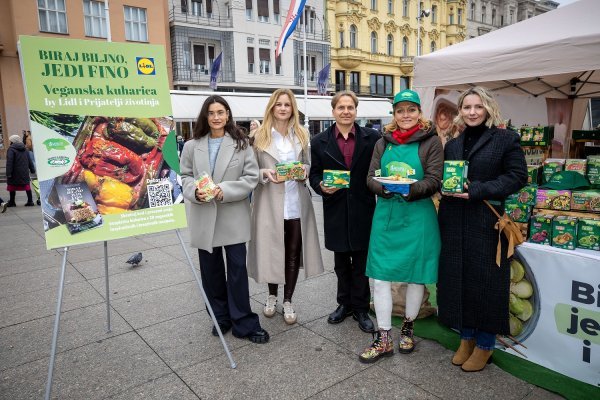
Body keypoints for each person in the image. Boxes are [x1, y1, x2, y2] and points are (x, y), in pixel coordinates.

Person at [437, 86, 527, 372]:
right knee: (459, 281)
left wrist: (478, 189)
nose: (472, 112)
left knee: (486, 285)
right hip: (454, 221)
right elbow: (450, 177)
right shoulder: (453, 143)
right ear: (460, 111)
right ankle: (466, 338)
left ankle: (485, 344)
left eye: (477, 107)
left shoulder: (505, 139)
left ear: (487, 108)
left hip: (486, 223)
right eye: (466, 107)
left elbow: (517, 177)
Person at [360, 89, 443, 363]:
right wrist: (386, 189)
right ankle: (383, 337)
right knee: (380, 276)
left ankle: (408, 327)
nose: (405, 115)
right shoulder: (383, 142)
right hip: (387, 216)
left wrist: (410, 190)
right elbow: (370, 177)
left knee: (416, 275)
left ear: (420, 112)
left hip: (418, 215)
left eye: (411, 109)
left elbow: (435, 178)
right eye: (400, 110)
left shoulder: (431, 142)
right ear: (394, 114)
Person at [180, 95, 269, 344]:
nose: (216, 117)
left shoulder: (241, 143)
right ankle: (220, 316)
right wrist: (195, 192)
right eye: (211, 113)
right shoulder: (191, 145)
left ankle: (243, 321)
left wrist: (225, 190)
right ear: (205, 117)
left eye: (221, 112)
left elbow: (251, 177)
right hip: (204, 214)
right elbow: (185, 176)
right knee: (211, 272)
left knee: (238, 270)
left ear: (228, 115)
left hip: (232, 215)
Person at [247, 88, 324, 325]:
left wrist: (303, 172)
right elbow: (249, 170)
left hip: (295, 202)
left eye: (287, 105)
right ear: (272, 107)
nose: (283, 108)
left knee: (292, 253)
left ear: (293, 109)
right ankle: (271, 296)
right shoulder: (259, 136)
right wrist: (264, 173)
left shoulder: (301, 134)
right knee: (272, 251)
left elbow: (308, 164)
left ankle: (288, 299)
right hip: (269, 202)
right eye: (278, 104)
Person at [309, 91, 380, 333]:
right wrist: (320, 186)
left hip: (363, 207)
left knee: (361, 262)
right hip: (336, 208)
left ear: (356, 111)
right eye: (341, 107)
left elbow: (379, 169)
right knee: (340, 262)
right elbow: (314, 175)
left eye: (350, 107)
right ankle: (343, 304)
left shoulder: (372, 138)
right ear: (333, 111)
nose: (346, 111)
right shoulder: (319, 141)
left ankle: (361, 308)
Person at [6, 135, 36, 207]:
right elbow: (29, 160)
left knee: (12, 186)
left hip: (14, 172)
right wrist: (32, 169)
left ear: (12, 141)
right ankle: (30, 201)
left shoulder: (11, 149)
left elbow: (9, 162)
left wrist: (8, 173)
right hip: (24, 172)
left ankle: (12, 202)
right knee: (26, 186)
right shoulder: (25, 149)